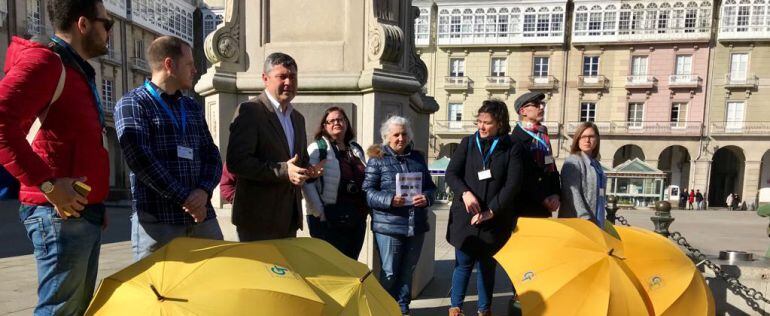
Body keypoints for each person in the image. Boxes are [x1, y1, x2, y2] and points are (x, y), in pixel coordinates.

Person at [0, 0, 112, 313]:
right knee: (60, 310)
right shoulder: (48, 63)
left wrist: (96, 201)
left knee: (73, 309)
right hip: (58, 216)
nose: (109, 33)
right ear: (83, 24)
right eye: (107, 23)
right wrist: (48, 185)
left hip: (79, 213)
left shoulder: (73, 68)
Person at [115, 36, 223, 260]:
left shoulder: (191, 106)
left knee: (213, 283)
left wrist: (203, 191)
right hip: (158, 224)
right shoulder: (133, 103)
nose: (195, 70)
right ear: (169, 65)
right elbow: (141, 160)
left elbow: (211, 154)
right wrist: (187, 199)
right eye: (189, 64)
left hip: (201, 218)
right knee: (156, 291)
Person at [226, 52, 323, 241]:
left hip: (288, 219)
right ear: (265, 78)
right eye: (282, 76)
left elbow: (297, 160)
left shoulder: (298, 119)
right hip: (258, 221)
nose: (288, 82)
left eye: (293, 77)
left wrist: (307, 171)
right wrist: (285, 170)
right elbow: (237, 162)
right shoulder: (250, 111)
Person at [445, 101, 522, 316]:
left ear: (500, 123)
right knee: (463, 264)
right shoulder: (468, 143)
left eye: (487, 123)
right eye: (479, 122)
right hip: (466, 218)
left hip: (494, 220)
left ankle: (484, 309)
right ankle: (456, 308)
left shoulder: (511, 147)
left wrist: (492, 211)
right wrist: (465, 193)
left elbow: (512, 184)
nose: (482, 127)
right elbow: (451, 174)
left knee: (488, 267)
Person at [363, 116, 436, 315]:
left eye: (404, 134)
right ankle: (385, 309)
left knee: (408, 271)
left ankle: (403, 309)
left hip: (416, 224)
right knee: (390, 272)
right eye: (396, 134)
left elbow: (431, 188)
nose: (400, 138)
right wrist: (389, 200)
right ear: (387, 137)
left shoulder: (417, 158)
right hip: (389, 226)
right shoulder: (377, 159)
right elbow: (367, 192)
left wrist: (427, 198)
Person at [302, 107, 367, 259]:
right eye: (331, 121)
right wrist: (320, 212)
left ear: (346, 123)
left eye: (340, 119)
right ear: (324, 126)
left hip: (355, 216)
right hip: (329, 219)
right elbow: (307, 182)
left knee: (351, 262)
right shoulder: (318, 148)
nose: (336, 123)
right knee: (331, 265)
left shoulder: (356, 149)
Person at [510, 92, 561, 217]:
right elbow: (521, 176)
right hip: (525, 207)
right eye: (536, 105)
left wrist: (556, 193)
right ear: (523, 111)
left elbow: (551, 167)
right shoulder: (514, 140)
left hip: (545, 206)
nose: (541, 107)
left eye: (542, 104)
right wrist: (542, 198)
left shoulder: (542, 135)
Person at [559, 122, 607, 228]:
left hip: (596, 221)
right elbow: (572, 193)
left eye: (591, 136)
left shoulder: (596, 164)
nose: (587, 140)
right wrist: (585, 218)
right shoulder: (574, 161)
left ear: (597, 139)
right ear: (577, 139)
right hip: (579, 224)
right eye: (583, 137)